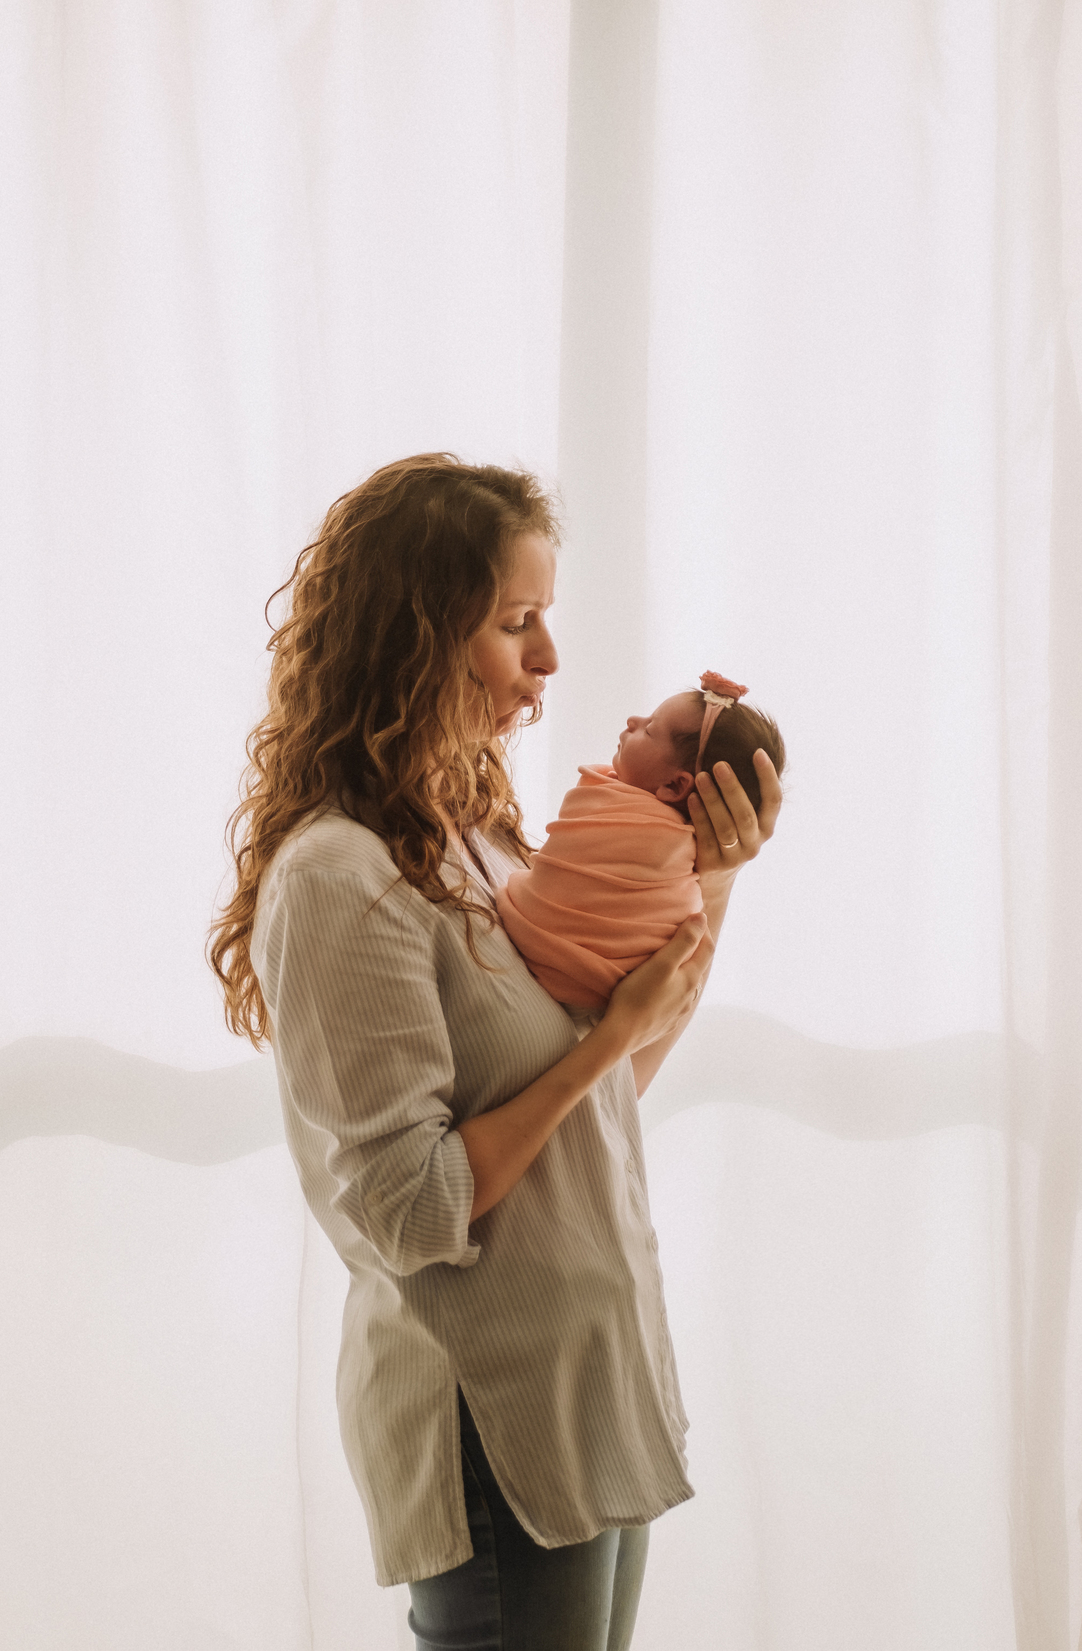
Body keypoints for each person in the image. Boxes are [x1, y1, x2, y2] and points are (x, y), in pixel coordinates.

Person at [208, 454, 782, 1651]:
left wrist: (713, 879)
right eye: (517, 622)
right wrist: (604, 1038)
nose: (550, 658)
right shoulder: (339, 877)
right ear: (416, 635)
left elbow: (604, 1101)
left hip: (590, 1384)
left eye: (545, 617)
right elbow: (412, 1209)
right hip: (492, 1416)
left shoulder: (476, 840)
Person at [497, 675, 786, 1010]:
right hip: (602, 989)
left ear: (675, 786)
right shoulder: (689, 851)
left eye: (650, 729)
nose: (632, 720)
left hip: (535, 943)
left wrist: (719, 881)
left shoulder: (624, 814)